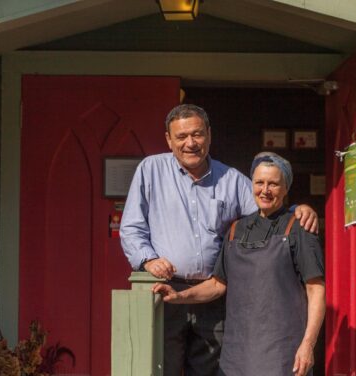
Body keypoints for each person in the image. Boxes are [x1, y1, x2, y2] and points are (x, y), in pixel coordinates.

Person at [120, 104, 318, 376]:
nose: (190, 143)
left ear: (209, 135)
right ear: (168, 139)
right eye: (181, 137)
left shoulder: (233, 180)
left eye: (197, 134)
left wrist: (298, 211)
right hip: (166, 293)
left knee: (210, 372)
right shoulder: (150, 170)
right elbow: (131, 228)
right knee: (161, 368)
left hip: (215, 297)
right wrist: (148, 259)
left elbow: (267, 209)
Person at [153, 152, 325, 376]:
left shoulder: (299, 228)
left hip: (283, 350)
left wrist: (307, 345)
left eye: (273, 184)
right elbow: (217, 284)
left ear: (285, 188)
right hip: (237, 352)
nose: (265, 190)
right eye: (259, 182)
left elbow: (316, 290)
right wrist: (179, 296)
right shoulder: (236, 230)